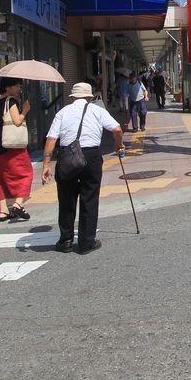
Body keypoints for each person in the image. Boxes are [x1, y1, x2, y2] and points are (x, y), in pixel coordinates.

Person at [39, 82, 124, 254]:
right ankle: (86, 242)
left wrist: (46, 165)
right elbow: (117, 128)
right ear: (90, 97)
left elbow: (50, 139)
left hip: (67, 157)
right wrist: (118, 145)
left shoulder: (62, 112)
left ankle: (66, 240)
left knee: (67, 199)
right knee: (89, 197)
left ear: (72, 98)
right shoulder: (97, 110)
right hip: (91, 157)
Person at [0, 78, 33, 222]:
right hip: (12, 148)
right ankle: (17, 204)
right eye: (16, 85)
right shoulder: (11, 101)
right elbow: (17, 121)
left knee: (0, 179)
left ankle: (3, 211)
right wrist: (25, 110)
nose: (19, 88)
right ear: (7, 87)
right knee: (26, 174)